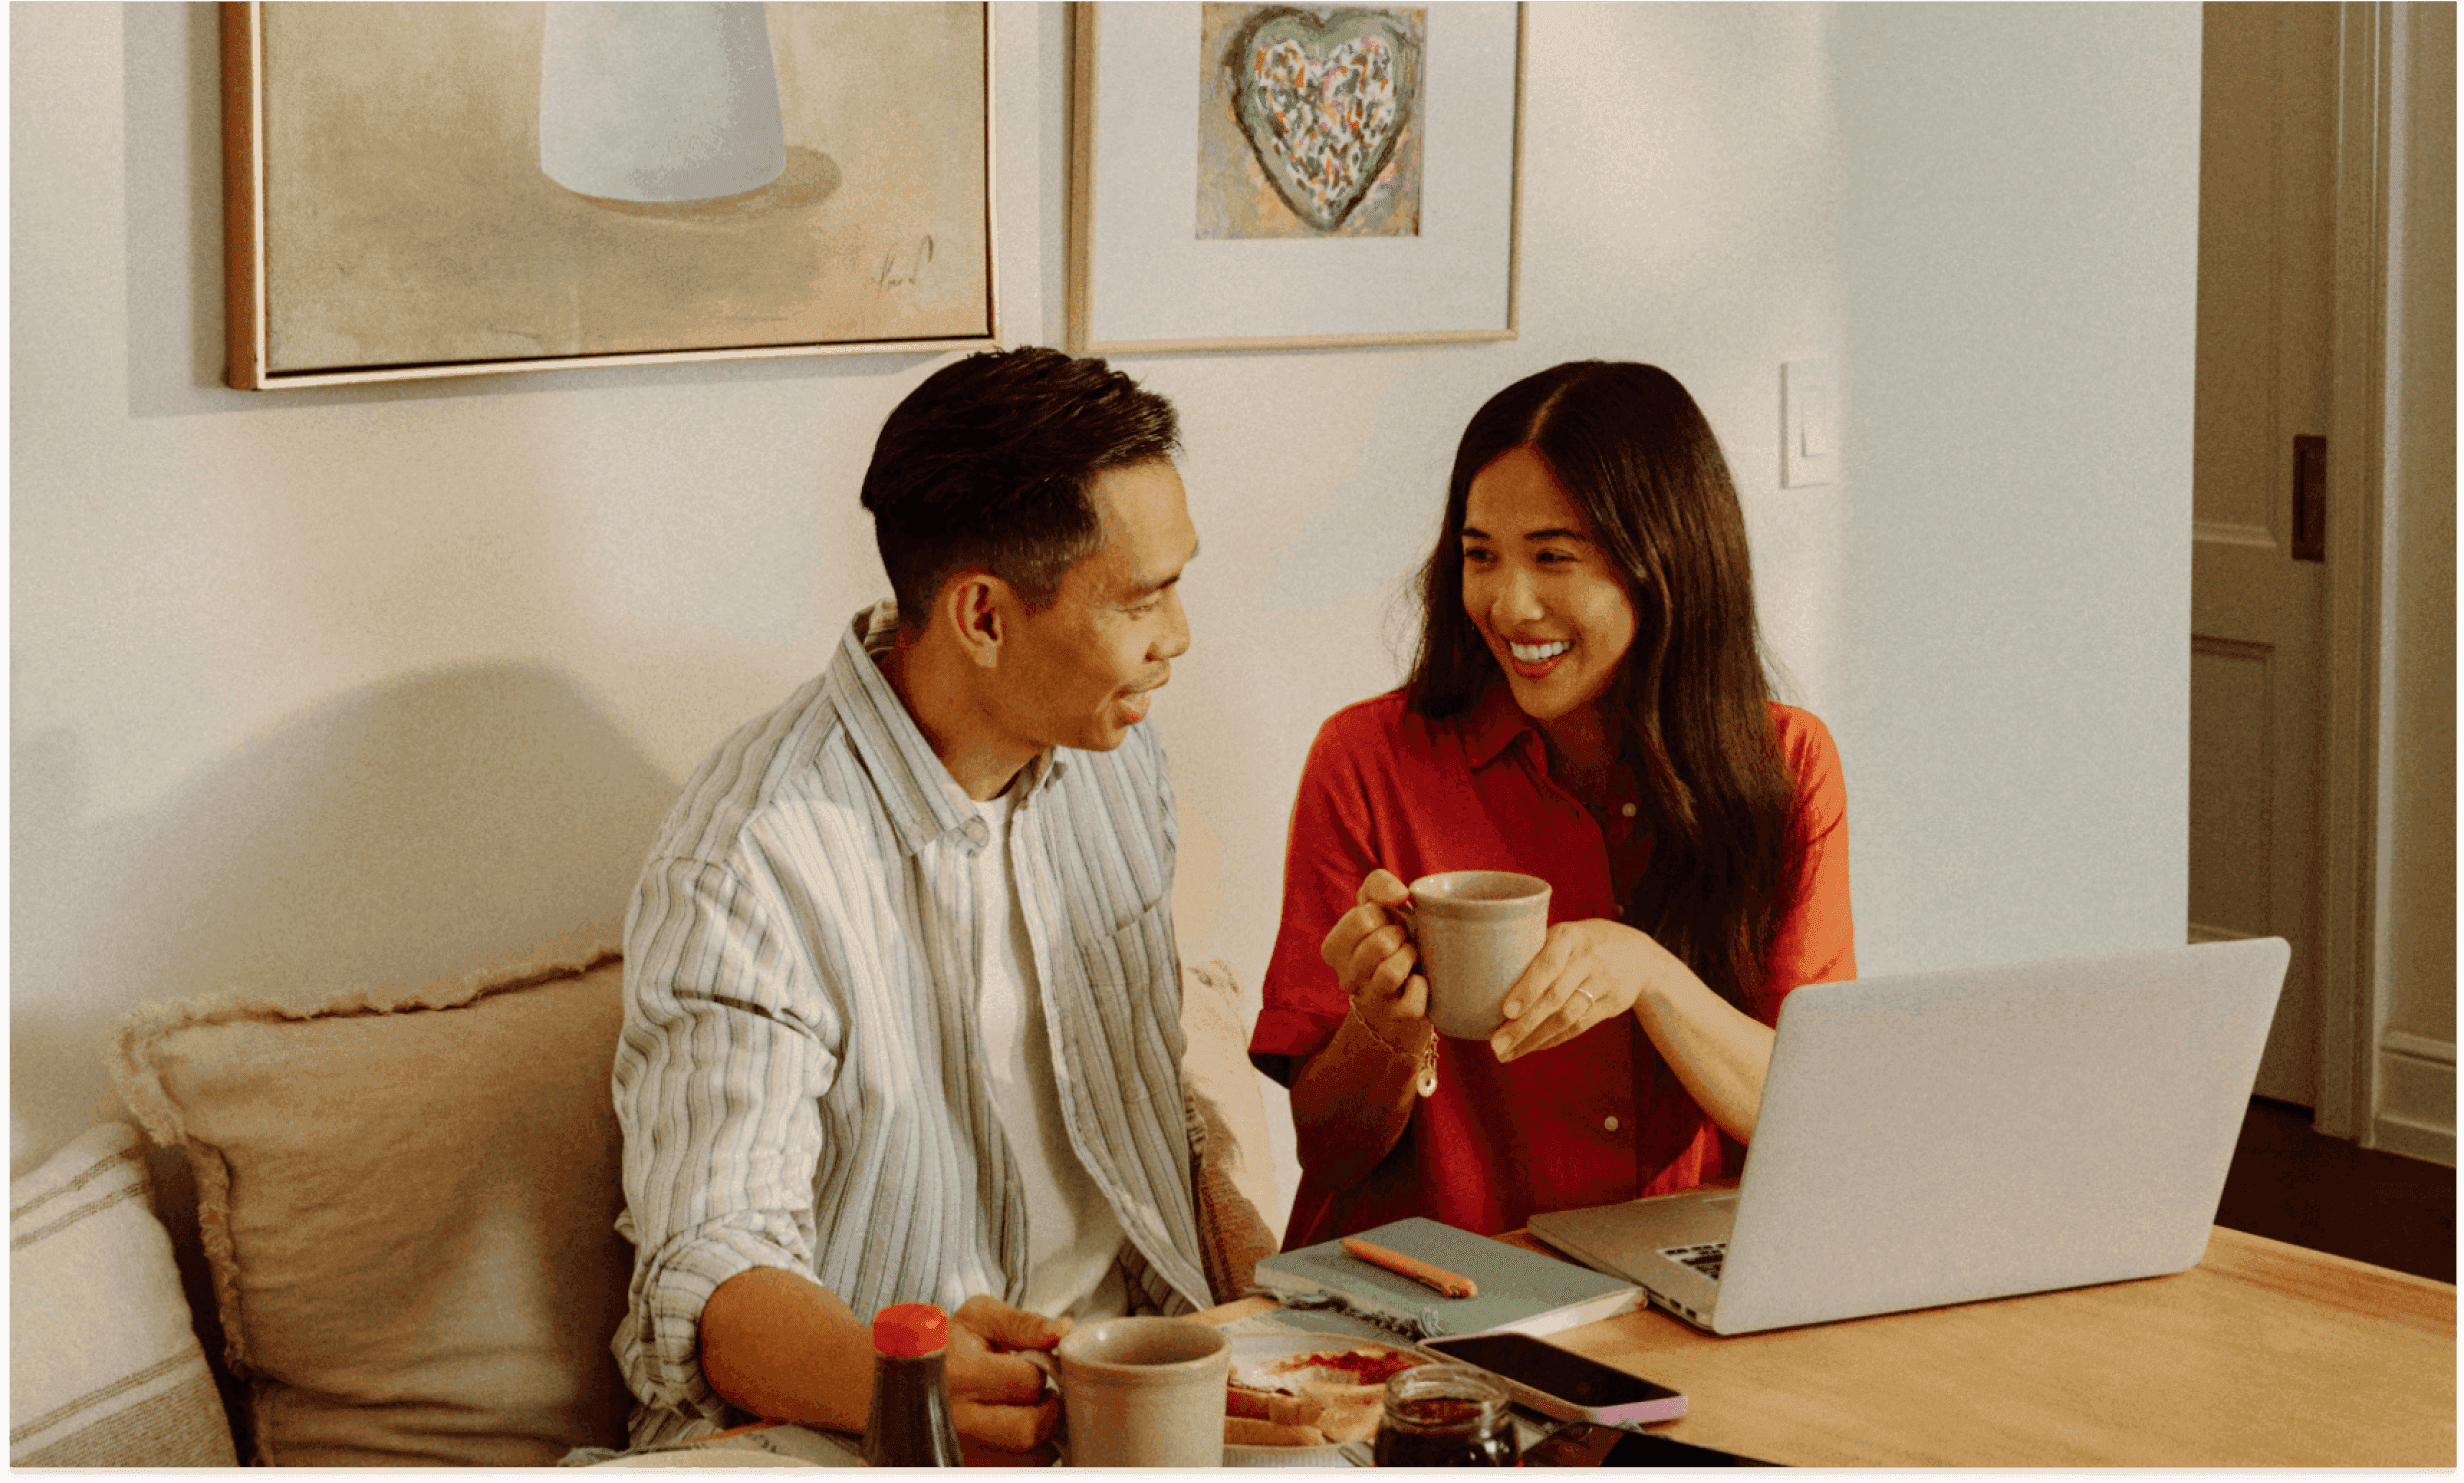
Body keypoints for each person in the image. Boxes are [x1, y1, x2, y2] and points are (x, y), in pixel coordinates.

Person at [610, 346, 1212, 1462]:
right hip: (866, 1435)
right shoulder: (753, 859)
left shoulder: (1116, 755)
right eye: (1144, 598)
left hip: (1138, 1386)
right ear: (982, 615)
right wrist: (911, 1375)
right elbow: (711, 1270)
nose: (1176, 638)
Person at [1248, 360, 1855, 1249]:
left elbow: (1816, 1118)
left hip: (1676, 1288)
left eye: (1553, 558)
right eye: (1479, 554)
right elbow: (1330, 1153)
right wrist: (1385, 1026)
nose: (1508, 602)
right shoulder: (1369, 761)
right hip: (1431, 1305)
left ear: (1665, 562)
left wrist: (1649, 977)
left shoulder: (1788, 763)